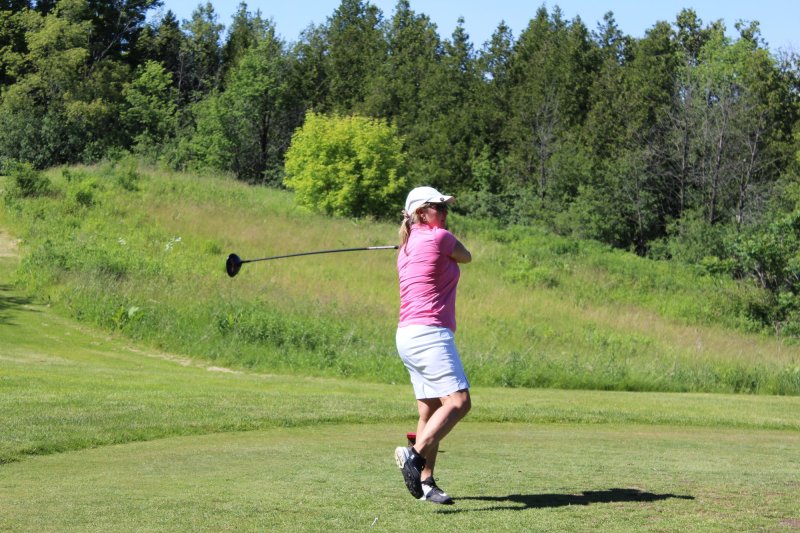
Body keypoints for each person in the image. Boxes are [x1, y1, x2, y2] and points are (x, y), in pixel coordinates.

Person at [393, 186, 472, 505]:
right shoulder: (441, 238)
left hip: (408, 335)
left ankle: (426, 484)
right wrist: (430, 237)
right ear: (421, 213)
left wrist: (415, 235)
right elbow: (466, 256)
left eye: (445, 207)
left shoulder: (405, 248)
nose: (445, 212)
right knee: (459, 402)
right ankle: (414, 455)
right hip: (431, 333)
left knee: (431, 410)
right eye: (438, 207)